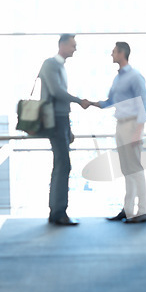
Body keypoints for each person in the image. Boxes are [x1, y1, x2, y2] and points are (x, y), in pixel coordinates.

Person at [91, 41, 146, 223]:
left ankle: (142, 212)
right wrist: (89, 103)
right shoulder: (118, 78)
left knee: (136, 169)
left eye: (114, 52)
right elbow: (110, 102)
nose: (111, 55)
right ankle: (128, 210)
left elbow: (144, 107)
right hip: (121, 125)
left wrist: (137, 133)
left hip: (132, 126)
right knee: (126, 170)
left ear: (122, 53)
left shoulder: (135, 76)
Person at [39, 34, 90, 225]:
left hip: (61, 120)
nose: (75, 49)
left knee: (61, 165)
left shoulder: (60, 66)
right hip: (55, 121)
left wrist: (69, 129)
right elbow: (56, 92)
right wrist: (79, 101)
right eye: (72, 45)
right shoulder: (51, 64)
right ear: (61, 45)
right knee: (63, 165)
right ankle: (58, 213)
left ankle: (57, 212)